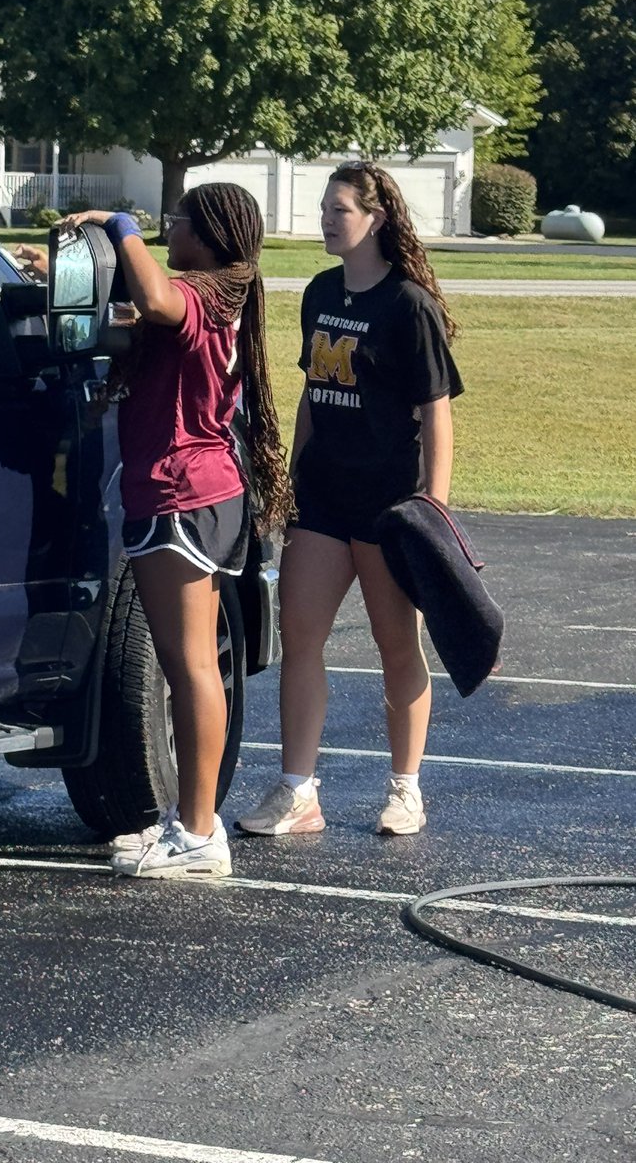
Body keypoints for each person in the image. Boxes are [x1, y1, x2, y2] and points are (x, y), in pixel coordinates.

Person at [42, 185, 291, 879]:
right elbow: (141, 307)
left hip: (181, 493)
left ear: (206, 238)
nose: (166, 230)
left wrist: (119, 222)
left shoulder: (198, 295)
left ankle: (199, 833)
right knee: (194, 665)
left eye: (176, 221)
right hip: (203, 489)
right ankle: (192, 824)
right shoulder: (219, 295)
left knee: (189, 668)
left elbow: (154, 298)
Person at [236, 160, 463, 839]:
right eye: (325, 209)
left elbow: (437, 411)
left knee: (397, 646)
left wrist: (434, 509)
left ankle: (406, 789)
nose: (326, 220)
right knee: (301, 637)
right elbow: (314, 391)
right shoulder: (320, 292)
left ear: (376, 218)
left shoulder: (408, 304)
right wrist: (291, 479)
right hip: (324, 499)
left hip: (389, 503)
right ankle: (297, 792)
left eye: (340, 210)